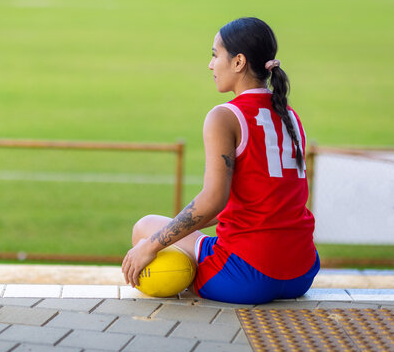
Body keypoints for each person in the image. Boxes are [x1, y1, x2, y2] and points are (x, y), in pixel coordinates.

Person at [121, 17, 319, 304]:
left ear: (238, 62)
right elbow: (259, 200)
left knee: (146, 227)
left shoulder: (224, 116)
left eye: (215, 55)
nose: (211, 65)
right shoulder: (289, 115)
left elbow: (214, 198)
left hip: (248, 277)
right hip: (301, 272)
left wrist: (150, 245)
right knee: (169, 230)